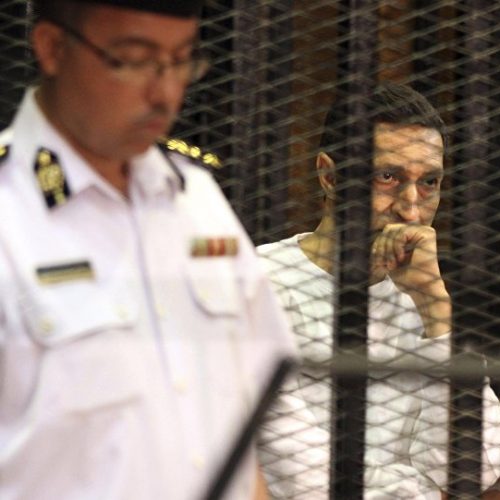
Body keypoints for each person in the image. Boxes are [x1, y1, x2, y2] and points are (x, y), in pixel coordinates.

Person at [0, 1, 297, 499]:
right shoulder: (11, 211)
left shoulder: (196, 198)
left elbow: (244, 431)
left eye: (181, 61)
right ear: (53, 48)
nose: (164, 93)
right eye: (135, 60)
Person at [256, 83, 500, 499]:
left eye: (429, 182)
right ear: (330, 175)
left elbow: (474, 462)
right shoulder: (258, 285)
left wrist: (435, 308)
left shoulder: (422, 289)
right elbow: (303, 484)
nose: (411, 209)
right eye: (387, 176)